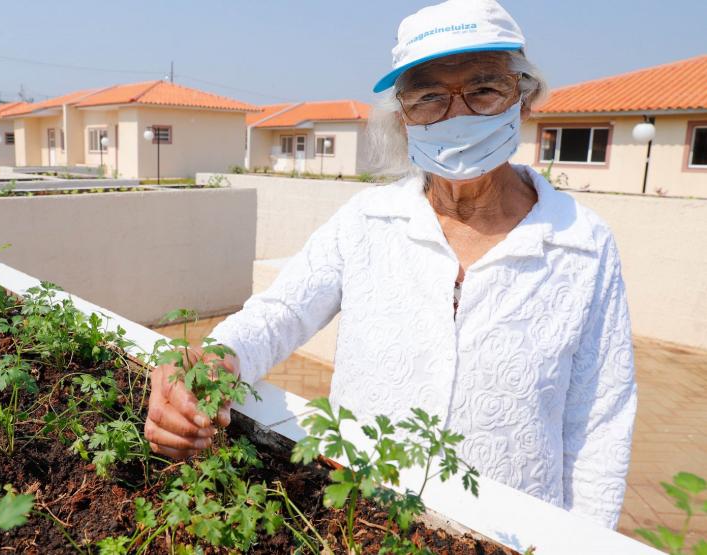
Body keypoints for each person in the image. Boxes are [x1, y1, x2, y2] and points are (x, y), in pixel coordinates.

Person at [144, 0, 637, 530]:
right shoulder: (366, 221)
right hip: (364, 523)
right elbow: (280, 312)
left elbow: (600, 421)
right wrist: (212, 359)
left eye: (484, 89)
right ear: (403, 119)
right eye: (428, 97)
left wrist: (587, 541)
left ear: (525, 99)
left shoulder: (582, 243)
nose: (458, 114)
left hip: (514, 533)